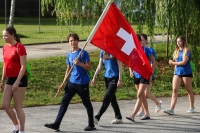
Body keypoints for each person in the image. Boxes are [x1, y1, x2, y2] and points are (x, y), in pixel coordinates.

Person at [44, 33, 96, 131]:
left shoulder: (83, 53)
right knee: (64, 102)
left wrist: (80, 63)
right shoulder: (69, 55)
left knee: (87, 103)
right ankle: (56, 124)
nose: (73, 42)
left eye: (75, 40)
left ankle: (91, 124)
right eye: (71, 41)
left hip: (82, 83)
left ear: (78, 41)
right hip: (72, 83)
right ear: (68, 43)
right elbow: (68, 70)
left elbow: (89, 67)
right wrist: (63, 83)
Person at [1, 26, 27, 133]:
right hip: (10, 79)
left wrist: (17, 82)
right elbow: (5, 65)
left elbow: (23, 67)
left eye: (6, 35)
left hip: (20, 79)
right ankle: (16, 126)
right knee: (5, 105)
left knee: (17, 106)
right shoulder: (5, 47)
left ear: (12, 35)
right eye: (3, 36)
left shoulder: (19, 47)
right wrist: (2, 80)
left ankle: (21, 131)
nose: (4, 37)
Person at [126, 34, 156, 122]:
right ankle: (147, 114)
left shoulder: (146, 50)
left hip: (145, 75)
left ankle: (133, 115)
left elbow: (154, 62)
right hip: (137, 75)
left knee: (139, 94)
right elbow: (130, 62)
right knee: (141, 95)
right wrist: (131, 71)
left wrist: (151, 74)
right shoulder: (132, 50)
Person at [164, 36, 195, 115]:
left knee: (189, 90)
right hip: (177, 73)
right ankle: (171, 109)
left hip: (186, 72)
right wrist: (175, 71)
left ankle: (192, 107)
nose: (178, 43)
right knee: (174, 90)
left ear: (183, 42)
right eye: (177, 41)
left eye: (180, 41)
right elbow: (176, 62)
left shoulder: (187, 50)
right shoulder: (176, 51)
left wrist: (173, 63)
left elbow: (184, 62)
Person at [91, 50, 123, 125]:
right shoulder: (102, 52)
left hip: (114, 78)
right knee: (112, 98)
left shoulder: (116, 52)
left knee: (107, 97)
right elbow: (100, 66)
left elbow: (120, 66)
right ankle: (118, 117)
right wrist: (94, 77)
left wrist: (120, 79)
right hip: (107, 78)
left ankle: (97, 117)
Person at [136, 34, 162, 118]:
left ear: (146, 40)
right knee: (142, 94)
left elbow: (152, 63)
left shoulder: (150, 50)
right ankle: (143, 110)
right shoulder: (138, 49)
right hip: (140, 74)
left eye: (143, 40)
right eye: (141, 40)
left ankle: (158, 103)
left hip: (149, 73)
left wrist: (151, 74)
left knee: (146, 93)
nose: (142, 41)